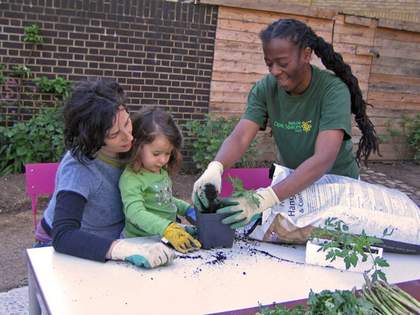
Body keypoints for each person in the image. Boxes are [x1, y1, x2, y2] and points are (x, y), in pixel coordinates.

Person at [193, 18, 380, 229]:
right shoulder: (266, 89)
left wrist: (265, 198)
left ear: (306, 55)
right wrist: (215, 168)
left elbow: (323, 159)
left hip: (336, 187)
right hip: (293, 185)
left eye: (282, 63)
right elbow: (240, 136)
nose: (274, 71)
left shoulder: (332, 91)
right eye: (269, 63)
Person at [34, 78, 174, 269]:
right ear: (94, 137)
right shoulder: (78, 169)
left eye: (127, 123)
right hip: (63, 246)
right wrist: (123, 250)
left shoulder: (130, 144)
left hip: (118, 237)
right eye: (114, 134)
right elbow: (64, 235)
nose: (129, 137)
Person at [119, 108, 201, 254]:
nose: (163, 160)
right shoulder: (132, 177)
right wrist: (167, 228)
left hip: (163, 237)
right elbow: (135, 212)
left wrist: (187, 209)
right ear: (137, 146)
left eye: (168, 153)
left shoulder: (159, 171)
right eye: (156, 153)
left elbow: (163, 200)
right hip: (138, 242)